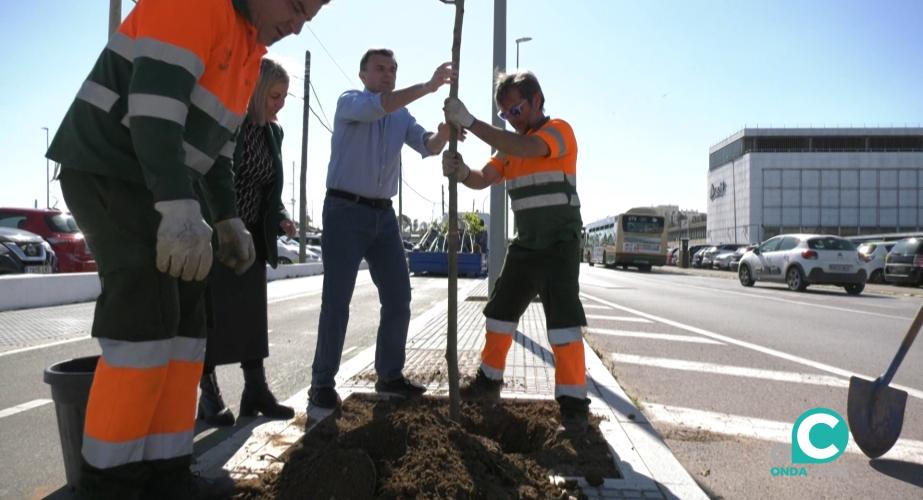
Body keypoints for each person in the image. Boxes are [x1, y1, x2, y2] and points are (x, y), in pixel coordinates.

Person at [46, 0, 331, 497]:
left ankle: (167, 472)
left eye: (311, 14)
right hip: (112, 165)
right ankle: (109, 483)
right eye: (296, 4)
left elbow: (220, 152)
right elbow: (154, 111)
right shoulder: (198, 5)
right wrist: (177, 206)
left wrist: (227, 219)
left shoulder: (249, 48)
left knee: (189, 326)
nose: (299, 22)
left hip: (163, 175)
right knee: (146, 316)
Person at [307, 49, 458, 411]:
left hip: (384, 217)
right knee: (337, 301)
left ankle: (389, 374)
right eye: (380, 69)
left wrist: (444, 133)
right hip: (344, 211)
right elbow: (381, 105)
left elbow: (427, 146)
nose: (387, 74)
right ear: (363, 74)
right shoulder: (350, 102)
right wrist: (428, 85)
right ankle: (322, 383)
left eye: (392, 69)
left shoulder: (401, 116)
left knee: (398, 296)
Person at [441, 71, 590, 433]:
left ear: (537, 99)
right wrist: (460, 172)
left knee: (564, 323)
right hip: (525, 246)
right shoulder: (507, 149)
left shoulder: (558, 132)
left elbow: (526, 148)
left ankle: (573, 404)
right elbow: (483, 177)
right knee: (500, 313)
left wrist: (471, 122)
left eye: (517, 108)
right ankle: (488, 382)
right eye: (506, 113)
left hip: (560, 245)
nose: (513, 117)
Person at [197, 58, 297, 427]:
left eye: (284, 97)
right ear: (255, 92)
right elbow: (208, 174)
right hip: (218, 229)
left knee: (252, 315)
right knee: (212, 314)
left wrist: (282, 214)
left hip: (253, 232)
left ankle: (255, 390)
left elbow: (270, 187)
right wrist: (220, 223)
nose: (280, 104)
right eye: (274, 95)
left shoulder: (274, 133)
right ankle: (208, 396)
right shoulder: (228, 122)